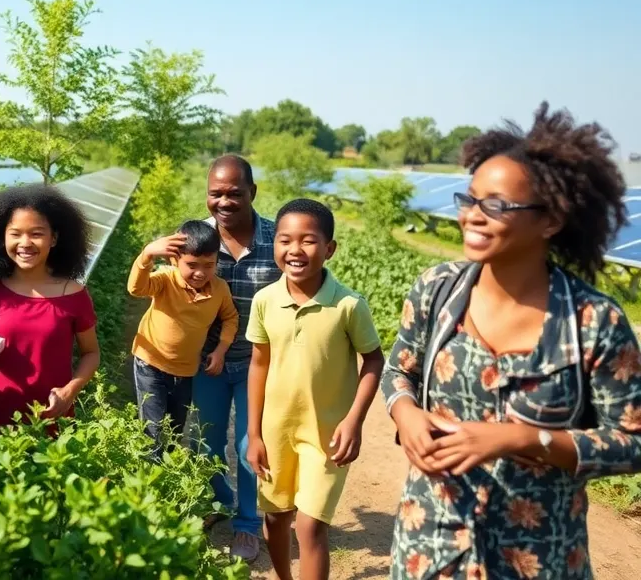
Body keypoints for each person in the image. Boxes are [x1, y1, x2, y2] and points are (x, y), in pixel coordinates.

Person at [382, 104, 641, 579]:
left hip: (539, 558)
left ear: (551, 221)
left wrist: (525, 438)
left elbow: (633, 441)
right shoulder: (438, 291)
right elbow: (398, 370)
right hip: (432, 547)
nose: (473, 217)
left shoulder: (593, 321)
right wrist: (407, 414)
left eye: (497, 205)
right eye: (470, 199)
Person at [245, 199, 384, 580]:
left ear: (329, 249)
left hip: (326, 436)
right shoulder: (264, 301)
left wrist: (354, 421)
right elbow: (259, 364)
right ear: (273, 245)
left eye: (308, 241)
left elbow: (373, 360)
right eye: (284, 240)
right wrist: (254, 434)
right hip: (276, 433)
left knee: (309, 526)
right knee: (276, 518)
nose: (295, 250)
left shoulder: (348, 305)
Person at [0, 184, 101, 456]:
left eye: (37, 234)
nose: (25, 243)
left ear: (55, 239)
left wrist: (71, 391)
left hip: (52, 418)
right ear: (2, 238)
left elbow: (91, 353)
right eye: (15, 234)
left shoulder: (74, 295)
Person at [192, 154, 282, 561]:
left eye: (234, 193)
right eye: (215, 193)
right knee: (208, 442)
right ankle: (219, 502)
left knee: (250, 445)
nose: (224, 201)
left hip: (257, 364)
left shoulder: (276, 239)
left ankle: (247, 523)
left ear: (252, 193)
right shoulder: (197, 237)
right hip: (205, 362)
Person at [128, 220, 239, 458]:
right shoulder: (165, 280)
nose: (200, 273)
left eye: (209, 265)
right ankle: (148, 484)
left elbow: (230, 318)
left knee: (175, 432)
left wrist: (221, 350)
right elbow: (136, 289)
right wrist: (146, 254)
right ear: (174, 260)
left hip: (186, 371)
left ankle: (169, 480)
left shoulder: (219, 289)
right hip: (150, 363)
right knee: (154, 431)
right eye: (191, 265)